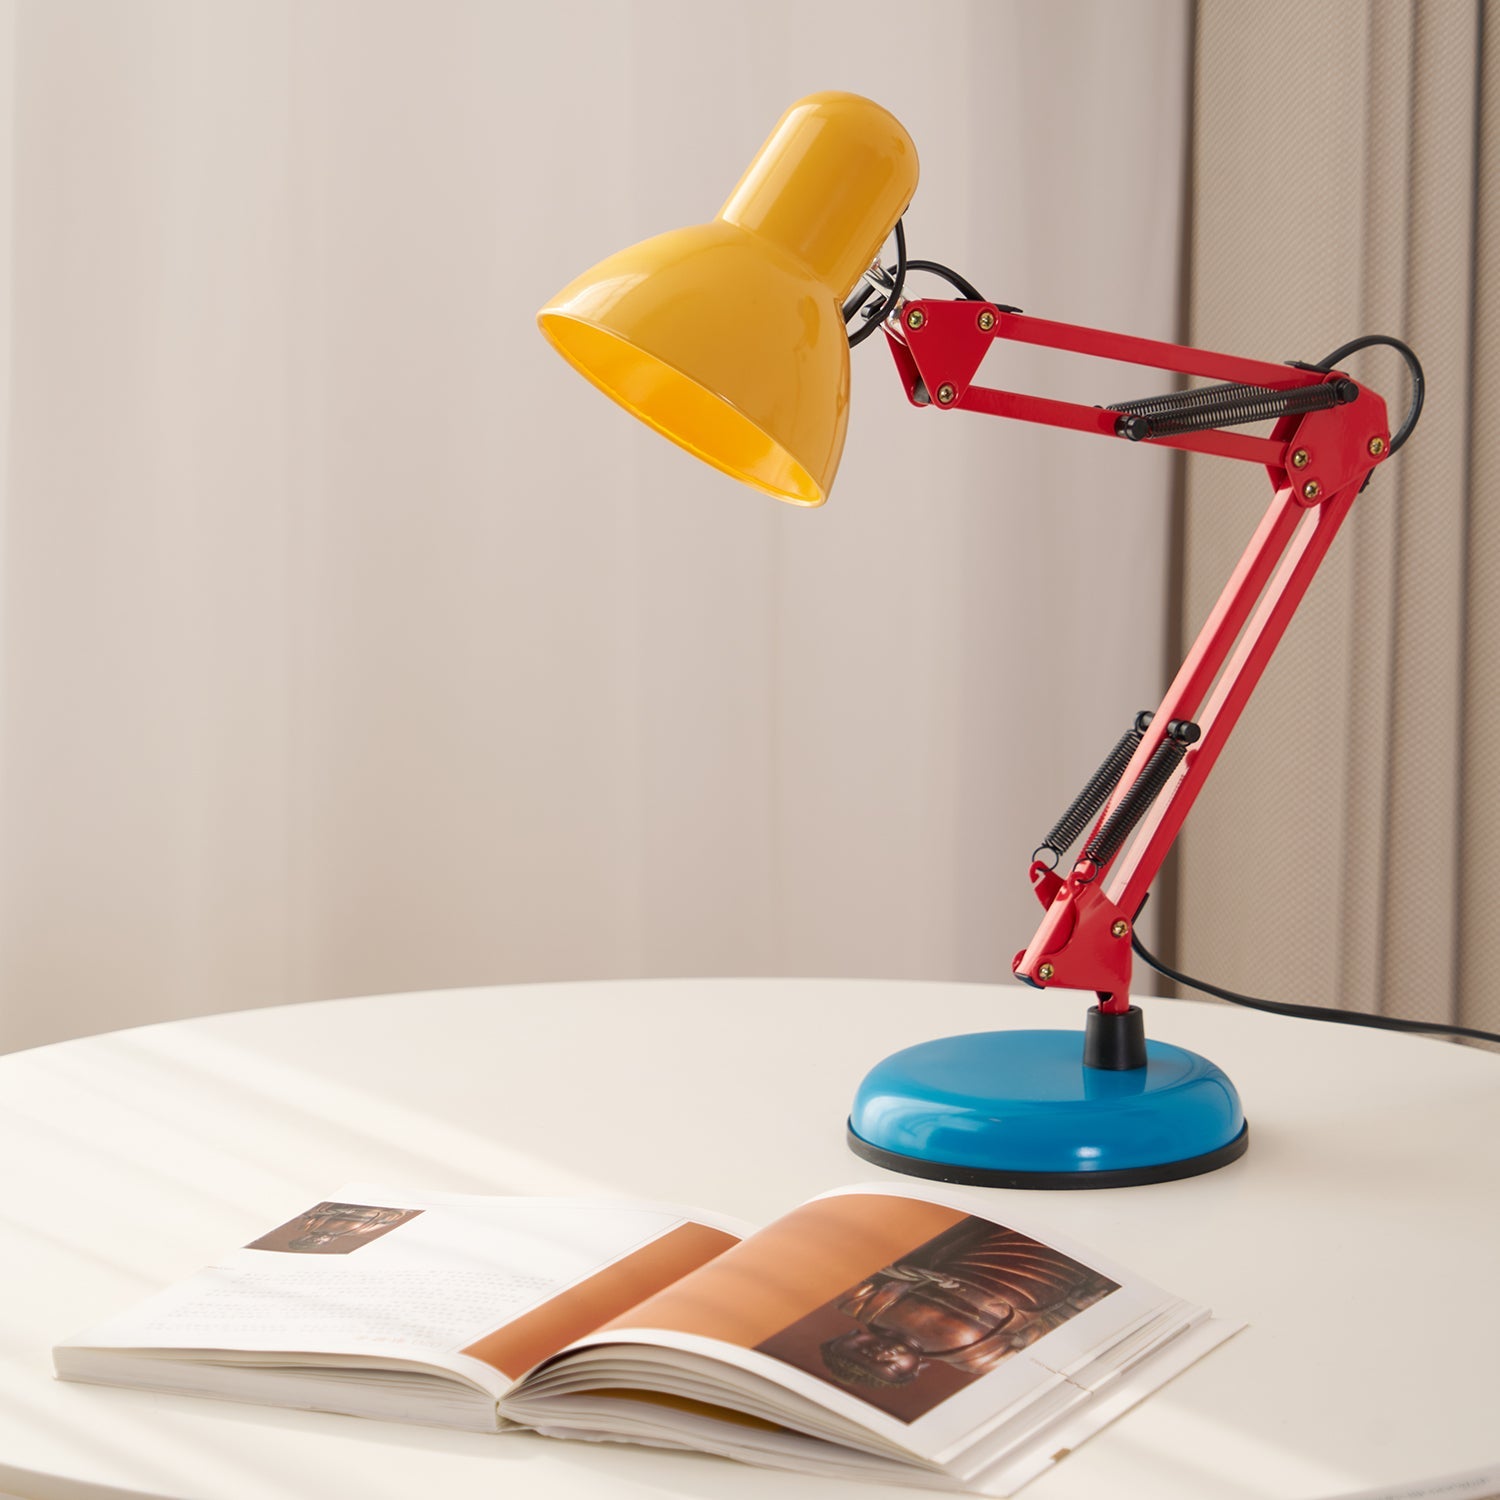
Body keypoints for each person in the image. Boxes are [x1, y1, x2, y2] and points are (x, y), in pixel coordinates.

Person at [820, 1218, 1115, 1389]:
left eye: (863, 1351)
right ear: (913, 1371)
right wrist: (1077, 1307)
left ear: (850, 1336)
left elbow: (863, 1260)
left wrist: (914, 1274)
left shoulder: (861, 1304)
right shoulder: (977, 1359)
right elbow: (1046, 1328)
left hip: (997, 1241)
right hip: (1059, 1277)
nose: (880, 1353)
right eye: (886, 1365)